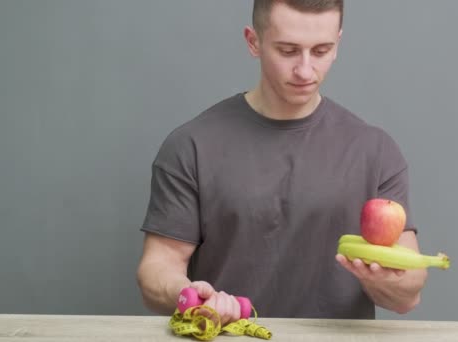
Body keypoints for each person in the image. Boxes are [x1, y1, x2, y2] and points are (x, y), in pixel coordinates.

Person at [137, 0, 427, 324]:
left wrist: (387, 283)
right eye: (288, 50)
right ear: (253, 42)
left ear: (338, 44)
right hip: (228, 335)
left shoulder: (375, 151)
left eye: (320, 50)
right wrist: (190, 295)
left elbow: (408, 295)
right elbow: (156, 269)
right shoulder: (190, 146)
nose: (305, 70)